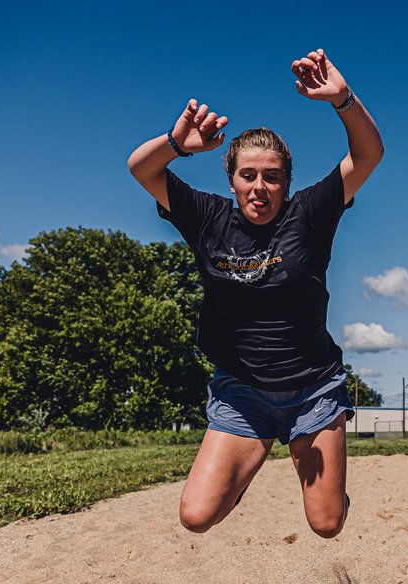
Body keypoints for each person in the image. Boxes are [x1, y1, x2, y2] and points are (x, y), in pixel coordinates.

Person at [127, 49, 383, 539]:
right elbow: (142, 169)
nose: (260, 187)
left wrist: (343, 100)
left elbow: (369, 154)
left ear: (287, 183)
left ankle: (332, 490)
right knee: (196, 516)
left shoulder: (309, 213)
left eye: (272, 176)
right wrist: (176, 145)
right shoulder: (207, 217)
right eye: (248, 175)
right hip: (243, 393)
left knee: (327, 524)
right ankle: (248, 460)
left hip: (312, 389)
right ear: (232, 180)